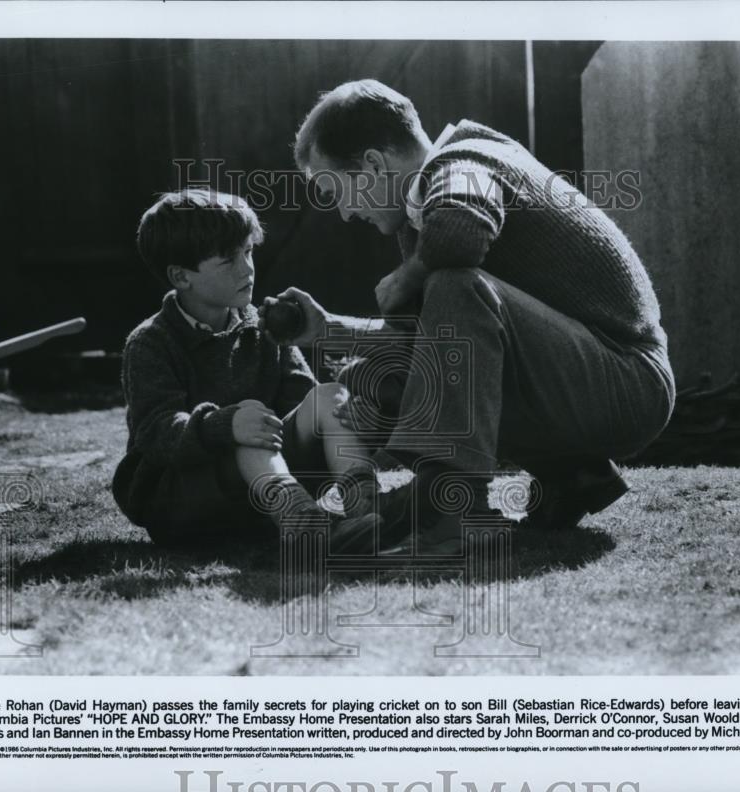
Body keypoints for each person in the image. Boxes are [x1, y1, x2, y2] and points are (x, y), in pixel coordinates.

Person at [260, 79, 676, 555]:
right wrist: (330, 329)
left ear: (373, 164)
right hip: (591, 376)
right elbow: (424, 342)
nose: (345, 214)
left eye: (334, 191)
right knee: (384, 370)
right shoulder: (427, 205)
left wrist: (409, 275)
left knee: (455, 282)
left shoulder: (462, 163)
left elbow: (461, 233)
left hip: (628, 380)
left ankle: (449, 511)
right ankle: (572, 476)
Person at [112, 189, 376, 548]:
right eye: (228, 260)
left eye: (248, 252)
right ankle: (305, 527)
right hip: (184, 499)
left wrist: (345, 410)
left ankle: (366, 506)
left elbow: (303, 400)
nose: (247, 268)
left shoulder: (261, 325)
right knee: (251, 426)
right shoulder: (151, 342)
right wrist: (224, 425)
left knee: (330, 396)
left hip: (259, 487)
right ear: (181, 276)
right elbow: (156, 433)